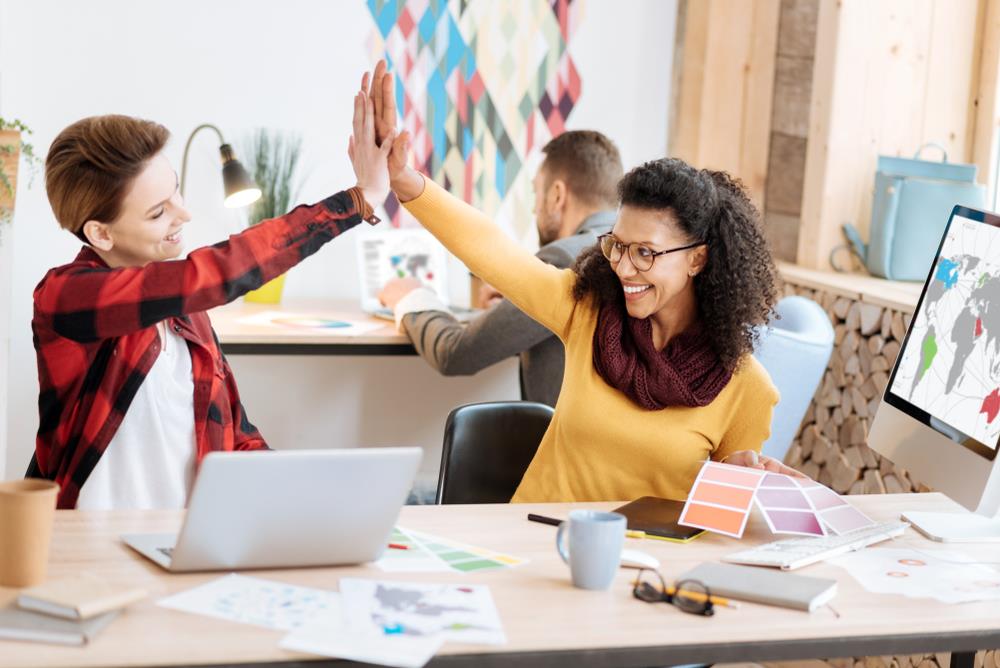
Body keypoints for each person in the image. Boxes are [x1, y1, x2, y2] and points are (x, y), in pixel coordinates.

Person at [352, 63, 797, 503]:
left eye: (645, 252)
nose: (624, 268)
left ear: (698, 259)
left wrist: (737, 487)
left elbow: (717, 518)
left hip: (638, 568)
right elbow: (494, 250)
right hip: (531, 541)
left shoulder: (746, 388)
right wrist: (404, 181)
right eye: (617, 246)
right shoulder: (587, 313)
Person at [29, 100, 393, 510]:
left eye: (176, 191)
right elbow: (216, 273)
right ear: (100, 232)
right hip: (85, 552)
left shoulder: (187, 315)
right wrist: (359, 200)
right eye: (157, 212)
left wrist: (313, 495)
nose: (183, 214)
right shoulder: (64, 297)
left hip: (182, 546)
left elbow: (234, 437)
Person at [378, 128, 623, 407]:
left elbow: (456, 352)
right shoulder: (630, 257)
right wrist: (515, 301)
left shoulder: (567, 260)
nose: (535, 211)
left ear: (557, 196)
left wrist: (410, 297)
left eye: (536, 194)